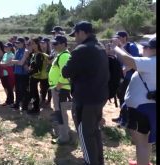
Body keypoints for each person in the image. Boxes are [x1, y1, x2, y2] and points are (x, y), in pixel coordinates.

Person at [62, 21, 109, 165]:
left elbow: (66, 72)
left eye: (75, 34)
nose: (74, 38)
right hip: (99, 97)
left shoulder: (81, 49)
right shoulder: (100, 47)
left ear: (82, 32)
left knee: (85, 134)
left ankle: (90, 162)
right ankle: (98, 161)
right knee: (94, 133)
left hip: (85, 100)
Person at [112, 37, 156, 165]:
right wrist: (122, 48)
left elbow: (128, 61)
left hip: (140, 108)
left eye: (146, 47)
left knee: (141, 141)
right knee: (145, 140)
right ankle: (143, 162)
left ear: (153, 50)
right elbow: (134, 61)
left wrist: (116, 48)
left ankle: (142, 163)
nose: (143, 49)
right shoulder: (150, 63)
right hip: (148, 107)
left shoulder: (152, 62)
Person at [111, 31, 140, 126]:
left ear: (124, 38)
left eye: (118, 37)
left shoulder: (131, 46)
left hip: (129, 77)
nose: (116, 39)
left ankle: (125, 120)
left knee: (126, 98)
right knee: (121, 97)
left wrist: (124, 70)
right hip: (120, 78)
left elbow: (135, 61)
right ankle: (122, 117)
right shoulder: (117, 49)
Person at [48, 35, 72, 144]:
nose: (54, 46)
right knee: (60, 112)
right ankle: (64, 133)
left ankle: (64, 137)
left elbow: (65, 73)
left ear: (63, 44)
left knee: (61, 113)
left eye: (56, 44)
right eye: (53, 44)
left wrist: (58, 87)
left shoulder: (64, 56)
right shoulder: (60, 55)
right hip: (59, 88)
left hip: (61, 88)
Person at [26, 37, 49, 115]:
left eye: (32, 43)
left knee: (34, 92)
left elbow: (38, 69)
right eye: (30, 44)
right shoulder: (34, 54)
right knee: (34, 92)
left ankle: (36, 108)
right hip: (36, 76)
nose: (31, 45)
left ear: (37, 44)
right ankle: (35, 107)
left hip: (38, 76)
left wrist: (29, 72)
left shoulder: (39, 55)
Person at [10, 37, 31, 110]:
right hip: (17, 72)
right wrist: (16, 61)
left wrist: (14, 61)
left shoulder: (25, 51)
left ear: (22, 43)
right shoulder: (17, 50)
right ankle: (17, 104)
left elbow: (21, 62)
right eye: (16, 43)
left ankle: (25, 106)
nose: (16, 44)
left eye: (18, 43)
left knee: (24, 90)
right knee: (17, 89)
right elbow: (18, 61)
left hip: (24, 74)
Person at [40, 37, 52, 106]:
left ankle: (48, 101)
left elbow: (50, 62)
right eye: (41, 43)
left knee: (49, 88)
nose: (42, 44)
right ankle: (43, 100)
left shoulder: (50, 52)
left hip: (49, 73)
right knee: (43, 88)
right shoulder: (41, 51)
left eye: (43, 43)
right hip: (42, 73)